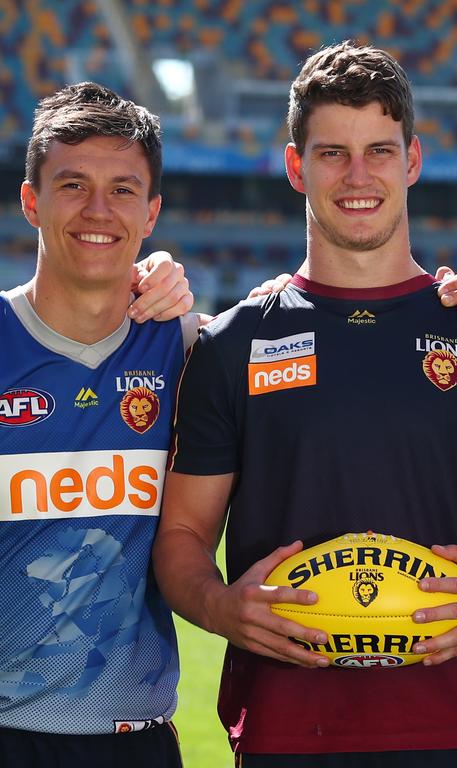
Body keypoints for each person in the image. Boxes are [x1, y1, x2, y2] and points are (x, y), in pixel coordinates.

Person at [151, 41, 457, 767]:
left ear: (412, 160)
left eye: (379, 150)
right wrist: (223, 608)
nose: (358, 176)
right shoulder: (234, 345)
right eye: (332, 154)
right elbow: (182, 536)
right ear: (295, 167)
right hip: (286, 735)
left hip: (456, 732)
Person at [0, 82, 198, 768]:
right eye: (73, 184)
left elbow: (296, 320)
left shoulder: (189, 350)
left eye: (122, 190)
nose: (98, 210)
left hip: (131, 741)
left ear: (151, 213)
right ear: (32, 201)